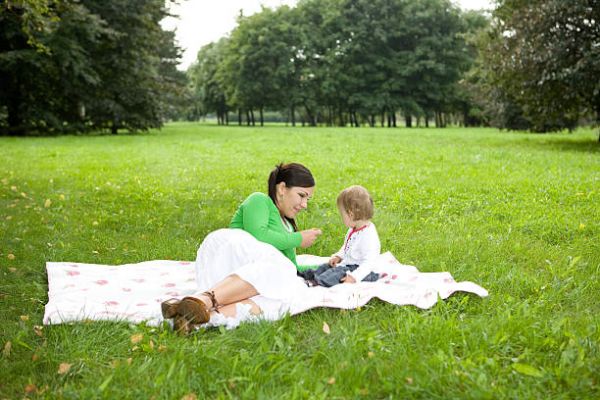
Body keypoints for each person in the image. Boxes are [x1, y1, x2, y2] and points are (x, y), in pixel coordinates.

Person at [161, 163, 322, 334]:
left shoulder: (286, 226)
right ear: (282, 188)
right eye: (301, 195)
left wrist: (325, 267)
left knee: (281, 297)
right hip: (227, 255)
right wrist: (298, 239)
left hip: (245, 279)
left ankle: (191, 318)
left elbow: (291, 267)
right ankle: (203, 300)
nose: (305, 204)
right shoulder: (260, 200)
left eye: (308, 199)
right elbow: (258, 236)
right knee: (281, 272)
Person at [299, 185, 380, 287]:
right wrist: (339, 256)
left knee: (336, 273)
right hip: (348, 265)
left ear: (350, 214)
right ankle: (309, 275)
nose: (342, 218)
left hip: (363, 272)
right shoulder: (353, 229)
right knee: (327, 267)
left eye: (342, 215)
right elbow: (347, 247)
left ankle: (318, 282)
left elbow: (369, 262)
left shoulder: (369, 236)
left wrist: (354, 277)